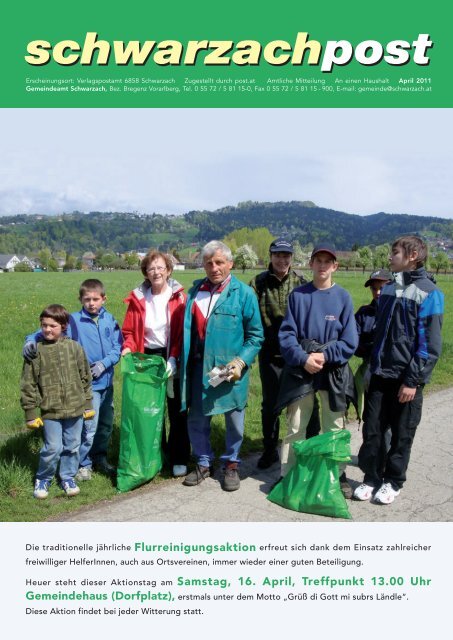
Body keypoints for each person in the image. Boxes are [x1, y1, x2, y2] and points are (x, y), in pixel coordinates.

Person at [354, 236, 444, 504]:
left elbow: (429, 344)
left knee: (402, 433)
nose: (390, 257)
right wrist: (372, 368)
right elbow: (380, 336)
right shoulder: (390, 289)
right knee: (372, 431)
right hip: (381, 375)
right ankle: (372, 478)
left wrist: (412, 380)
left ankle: (394, 481)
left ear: (413, 255)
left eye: (395, 253)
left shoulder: (430, 293)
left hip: (407, 380)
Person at [179, 240, 264, 491]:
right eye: (209, 263)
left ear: (230, 264)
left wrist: (241, 361)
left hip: (230, 369)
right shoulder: (194, 292)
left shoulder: (244, 294)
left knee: (234, 419)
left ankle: (231, 464)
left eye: (219, 262)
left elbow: (255, 336)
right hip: (198, 367)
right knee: (197, 417)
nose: (214, 267)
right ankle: (204, 462)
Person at [278, 245, 358, 497]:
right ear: (311, 264)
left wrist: (325, 356)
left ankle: (337, 473)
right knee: (296, 426)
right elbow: (287, 335)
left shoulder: (343, 298)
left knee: (334, 426)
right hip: (302, 369)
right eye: (318, 260)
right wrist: (303, 358)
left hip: (332, 371)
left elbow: (349, 342)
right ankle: (289, 476)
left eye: (328, 261)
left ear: (335, 266)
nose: (323, 265)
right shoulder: (298, 296)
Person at [23, 279, 123, 481]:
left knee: (105, 424)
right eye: (87, 299)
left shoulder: (110, 320)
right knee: (89, 428)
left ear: (104, 299)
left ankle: (100, 458)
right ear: (80, 299)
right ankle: (82, 464)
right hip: (86, 386)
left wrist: (104, 363)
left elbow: (118, 346)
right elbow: (46, 330)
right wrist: (30, 340)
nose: (91, 303)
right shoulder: (74, 321)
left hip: (106, 382)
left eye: (96, 299)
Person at [249, 237, 320, 470]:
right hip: (269, 355)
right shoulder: (257, 284)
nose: (282, 259)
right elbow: (249, 318)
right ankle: (270, 450)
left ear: (292, 257)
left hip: (297, 355)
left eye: (286, 255)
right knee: (270, 405)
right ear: (270, 256)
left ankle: (309, 449)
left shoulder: (302, 284)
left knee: (302, 402)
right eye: (278, 255)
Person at [121, 250, 189, 477]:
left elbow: (181, 333)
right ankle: (155, 455)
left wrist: (173, 358)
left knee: (176, 410)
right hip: (147, 358)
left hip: (172, 355)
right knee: (152, 410)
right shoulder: (138, 298)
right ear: (146, 273)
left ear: (169, 270)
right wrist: (128, 347)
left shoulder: (179, 297)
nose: (156, 272)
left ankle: (179, 456)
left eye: (161, 267)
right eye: (151, 268)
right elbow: (129, 331)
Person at [21, 305, 94, 499]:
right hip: (50, 410)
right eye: (44, 325)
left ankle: (68, 477)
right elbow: (28, 384)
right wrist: (30, 414)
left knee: (72, 445)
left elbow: (86, 377)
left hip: (75, 408)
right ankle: (43, 478)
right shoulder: (36, 352)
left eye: (52, 326)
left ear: (63, 326)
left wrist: (88, 404)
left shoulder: (74, 348)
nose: (47, 329)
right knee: (52, 447)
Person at [354, 269, 392, 421]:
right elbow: (354, 344)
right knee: (369, 419)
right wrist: (373, 348)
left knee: (388, 421)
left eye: (381, 288)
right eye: (374, 289)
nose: (377, 293)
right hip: (369, 371)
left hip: (391, 373)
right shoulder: (363, 313)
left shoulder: (399, 313)